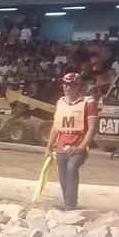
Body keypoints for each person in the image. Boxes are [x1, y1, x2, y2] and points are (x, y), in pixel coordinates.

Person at [45, 72, 98, 211]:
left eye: (70, 85)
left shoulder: (88, 102)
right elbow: (55, 127)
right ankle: (67, 202)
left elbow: (92, 128)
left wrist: (82, 146)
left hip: (78, 144)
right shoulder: (60, 102)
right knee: (62, 175)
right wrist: (49, 146)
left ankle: (70, 205)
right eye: (65, 84)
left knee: (72, 168)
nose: (67, 87)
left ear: (77, 86)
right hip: (61, 144)